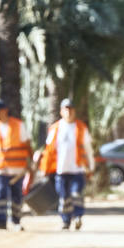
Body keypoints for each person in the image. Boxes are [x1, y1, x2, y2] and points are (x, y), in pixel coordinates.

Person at [38, 98, 94, 230]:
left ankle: (78, 216)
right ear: (61, 112)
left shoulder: (81, 127)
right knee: (64, 198)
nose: (68, 112)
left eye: (70, 109)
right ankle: (65, 221)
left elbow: (88, 149)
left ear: (74, 111)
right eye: (65, 109)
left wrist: (91, 167)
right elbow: (49, 151)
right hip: (61, 170)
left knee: (76, 194)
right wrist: (44, 169)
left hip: (78, 169)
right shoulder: (55, 129)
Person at [0, 99, 32, 230]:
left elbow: (28, 145)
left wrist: (30, 162)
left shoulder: (18, 125)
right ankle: (0, 222)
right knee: (0, 194)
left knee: (17, 197)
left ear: (5, 110)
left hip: (17, 169)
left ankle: (16, 221)